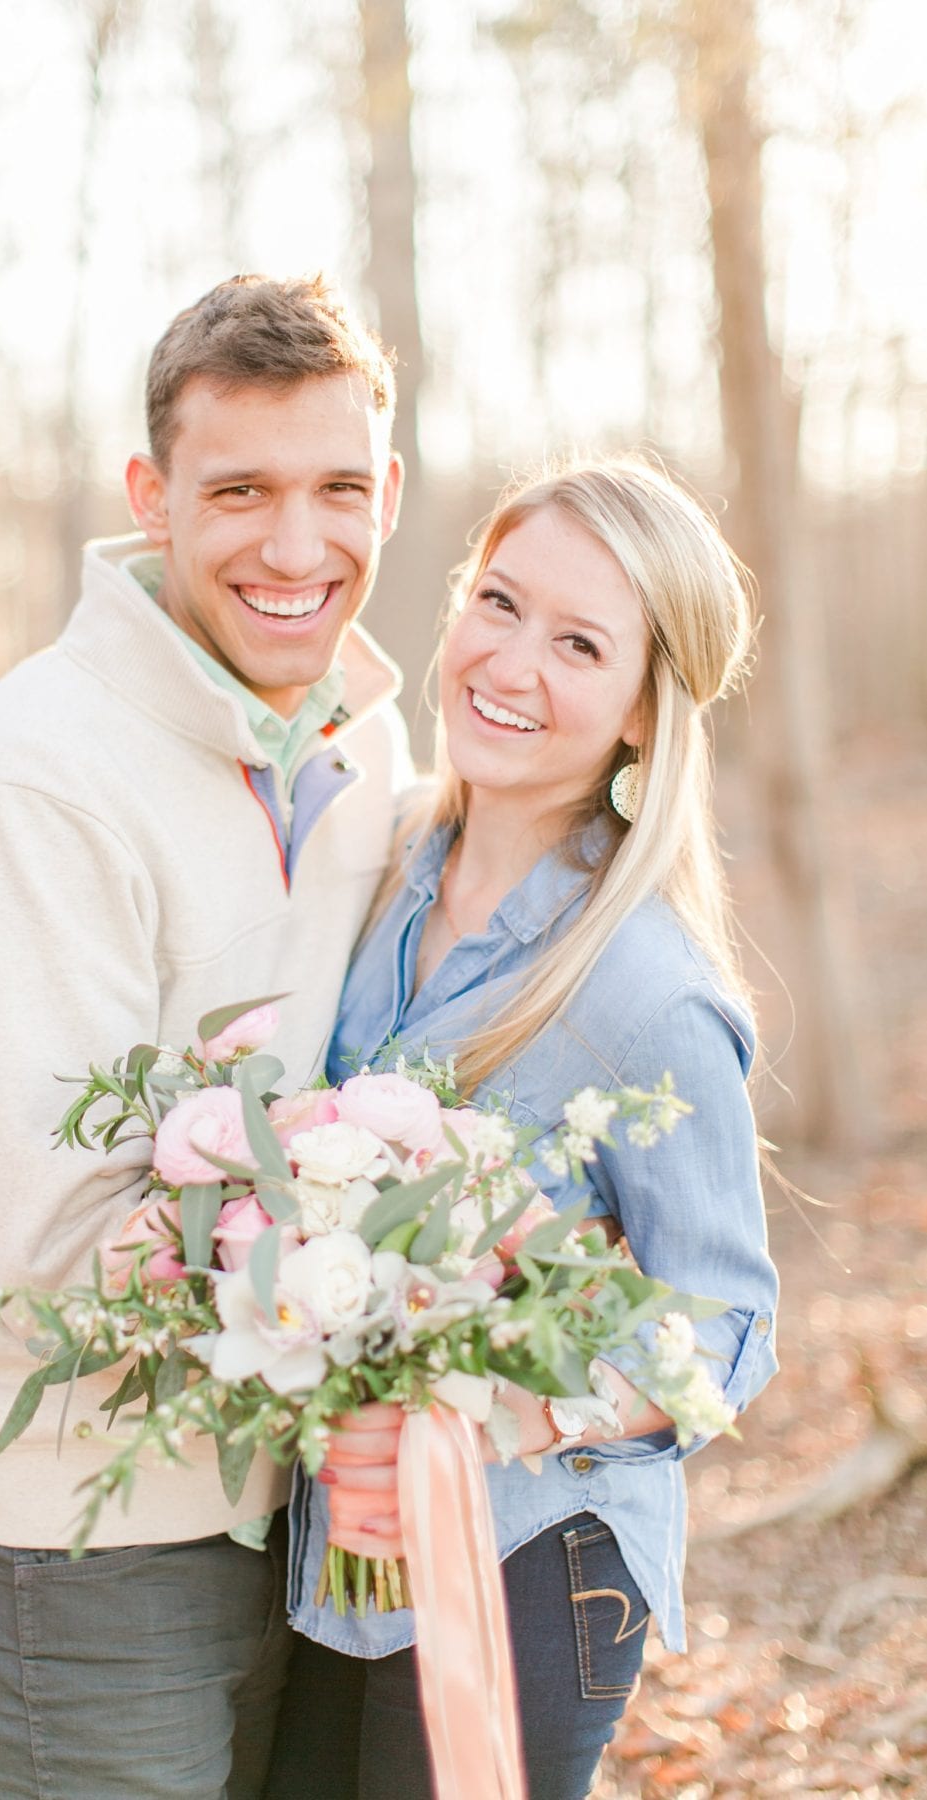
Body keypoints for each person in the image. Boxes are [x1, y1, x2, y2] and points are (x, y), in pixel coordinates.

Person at [0, 273, 410, 1800]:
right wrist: (404, 1303)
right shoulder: (25, 788)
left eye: (337, 489)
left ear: (390, 491)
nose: (296, 548)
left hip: (310, 1518)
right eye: (240, 491)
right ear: (151, 496)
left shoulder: (371, 742)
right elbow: (53, 1245)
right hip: (75, 1547)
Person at [262, 458, 780, 1800]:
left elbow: (725, 1326)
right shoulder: (369, 875)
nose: (509, 661)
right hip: (332, 1544)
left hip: (529, 1564)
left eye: (578, 644)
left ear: (637, 714)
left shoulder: (644, 995)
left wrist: (499, 1411)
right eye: (497, 602)